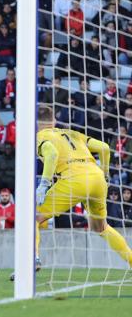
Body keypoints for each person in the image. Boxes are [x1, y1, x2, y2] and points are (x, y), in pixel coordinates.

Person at [25, 105, 132, 279]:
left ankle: (32, 261)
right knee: (101, 227)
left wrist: (44, 184)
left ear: (36, 123)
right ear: (54, 120)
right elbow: (104, 147)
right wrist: (104, 173)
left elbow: (51, 154)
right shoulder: (73, 133)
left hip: (73, 179)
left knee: (33, 218)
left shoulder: (40, 136)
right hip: (96, 177)